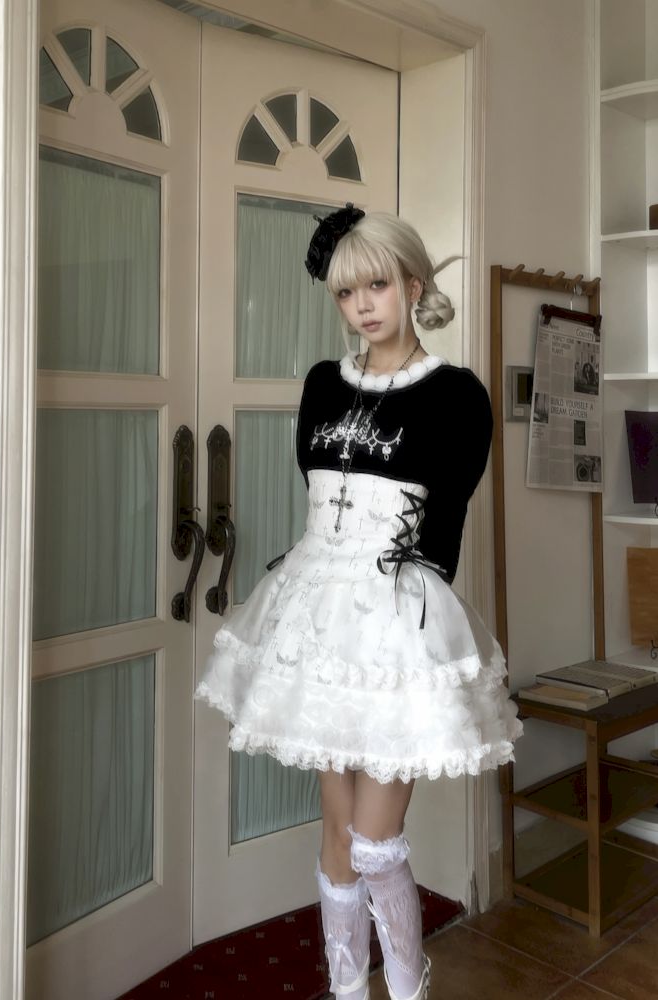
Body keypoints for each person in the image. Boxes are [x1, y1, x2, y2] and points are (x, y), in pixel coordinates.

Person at [194, 205, 524, 1000]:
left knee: (376, 843)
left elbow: (444, 526)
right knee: (339, 836)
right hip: (313, 616)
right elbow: (315, 498)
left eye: (376, 285)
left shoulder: (456, 394)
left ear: (413, 285)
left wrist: (402, 626)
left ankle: (406, 990)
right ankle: (347, 992)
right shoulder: (321, 384)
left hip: (396, 622)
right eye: (346, 293)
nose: (362, 306)